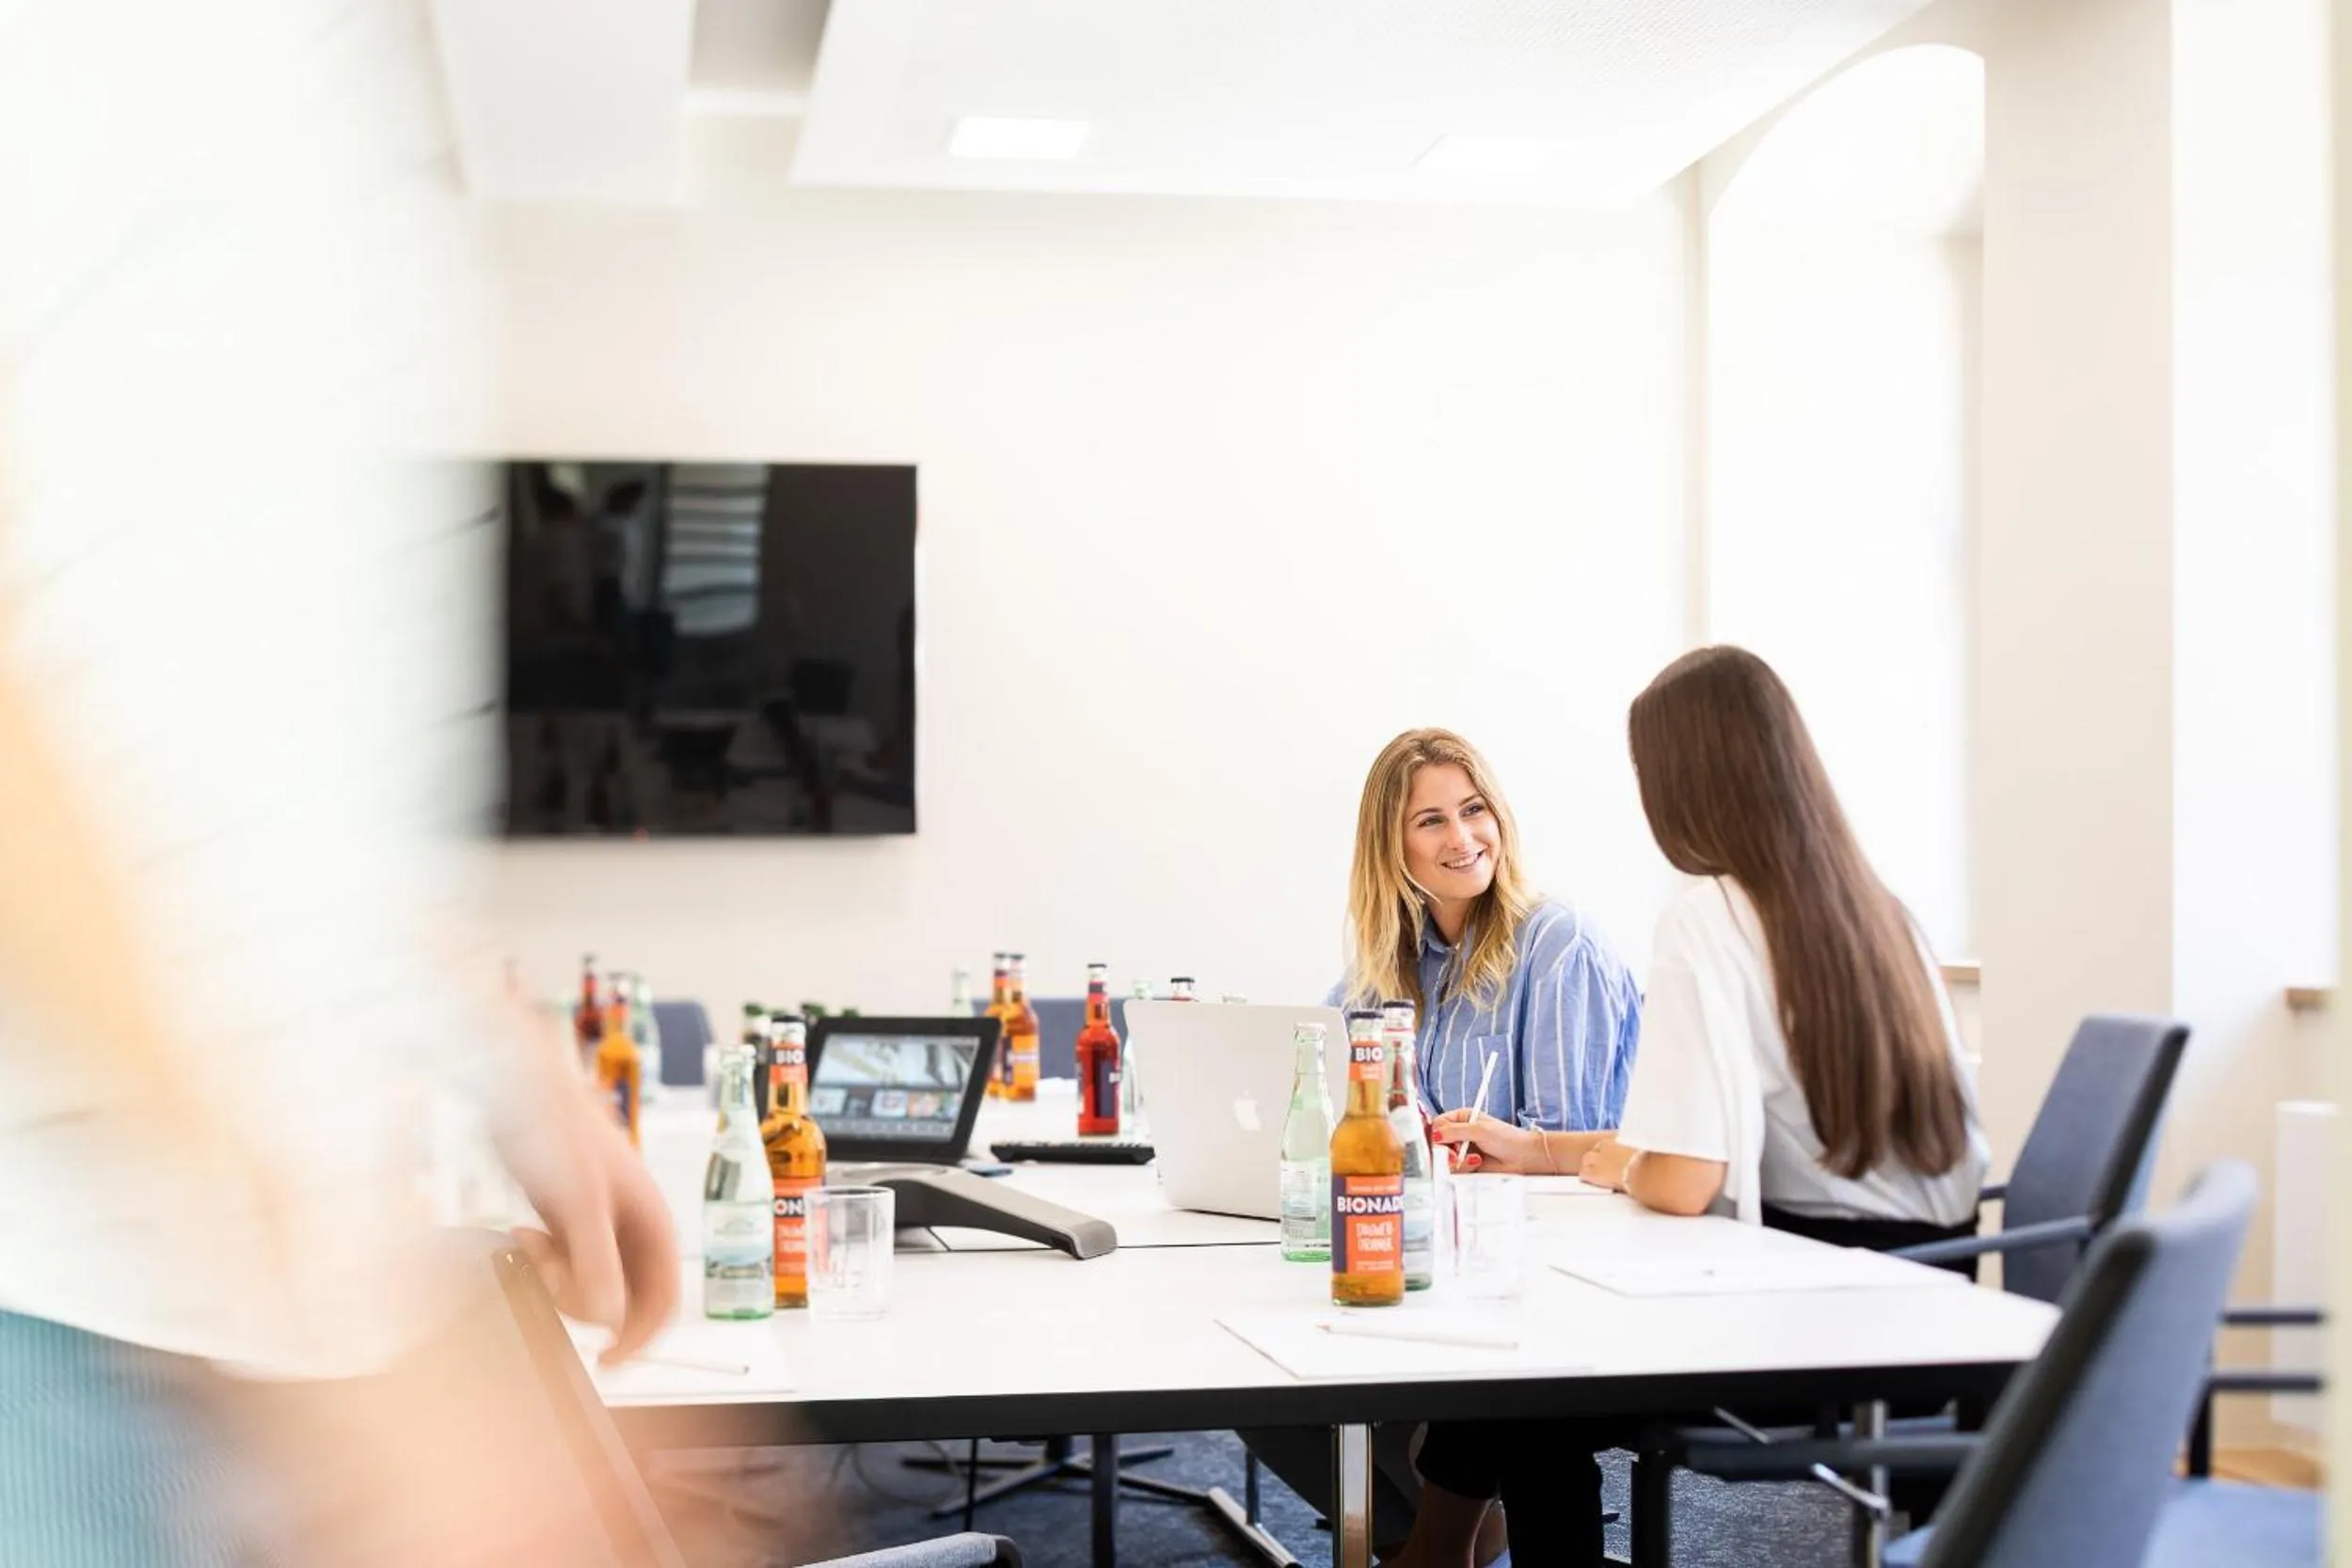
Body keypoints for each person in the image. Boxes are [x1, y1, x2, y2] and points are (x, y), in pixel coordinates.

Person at [0, 7, 682, 1564]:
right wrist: (268, 1225)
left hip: (226, 1295)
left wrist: (514, 1061)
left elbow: (224, 719)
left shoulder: (311, 76)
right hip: (70, 1296)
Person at [1409, 646, 1991, 1567]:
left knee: (1522, 1359)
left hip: (1806, 1329)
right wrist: (1557, 1150)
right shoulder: (1877, 907)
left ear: (1678, 783)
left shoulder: (1708, 915)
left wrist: (1624, 1163)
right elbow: (1701, 1148)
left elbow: (1681, 1180)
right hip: (1930, 1305)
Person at [1245, 726, 1643, 1559]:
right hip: (1430, 1250)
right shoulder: (1394, 963)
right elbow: (1321, 1071)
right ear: (1391, 847)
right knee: (1253, 1374)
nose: (1463, 838)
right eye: (1431, 821)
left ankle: (1436, 1541)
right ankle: (1430, 1536)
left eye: (1474, 810)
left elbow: (1571, 1159)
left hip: (1537, 1265)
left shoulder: (1555, 943)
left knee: (1488, 1383)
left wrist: (1492, 1147)